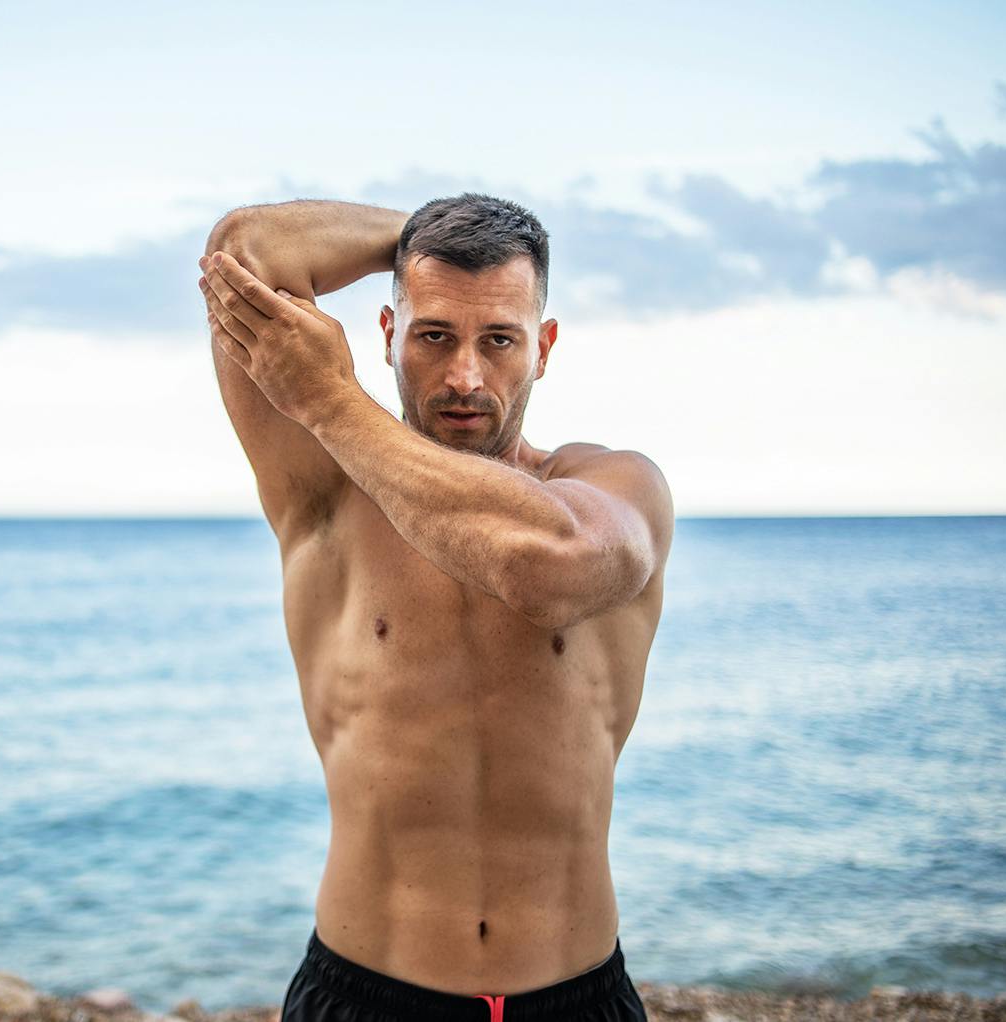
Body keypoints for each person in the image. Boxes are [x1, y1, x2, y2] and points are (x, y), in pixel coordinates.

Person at [198, 194, 672, 1022]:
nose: (464, 377)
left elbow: (549, 568)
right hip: (363, 990)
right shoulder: (324, 489)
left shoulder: (611, 486)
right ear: (388, 333)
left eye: (499, 339)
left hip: (576, 996)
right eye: (433, 335)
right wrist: (422, 234)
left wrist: (330, 400)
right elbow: (246, 250)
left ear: (544, 347)